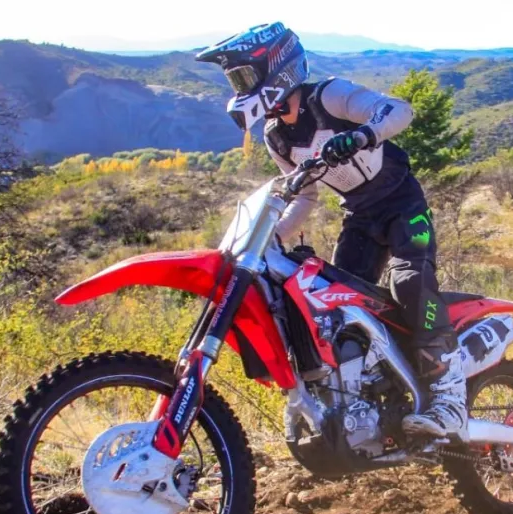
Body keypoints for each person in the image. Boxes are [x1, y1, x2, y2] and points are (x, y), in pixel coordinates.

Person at [196, 22, 467, 439]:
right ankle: (374, 397)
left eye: (244, 76)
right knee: (336, 306)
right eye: (236, 80)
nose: (241, 87)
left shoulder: (329, 97)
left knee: (409, 281)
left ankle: (450, 395)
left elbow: (399, 110)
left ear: (276, 67)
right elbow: (304, 196)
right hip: (359, 218)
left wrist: (364, 134)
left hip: (402, 205)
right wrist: (272, 239)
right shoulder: (276, 137)